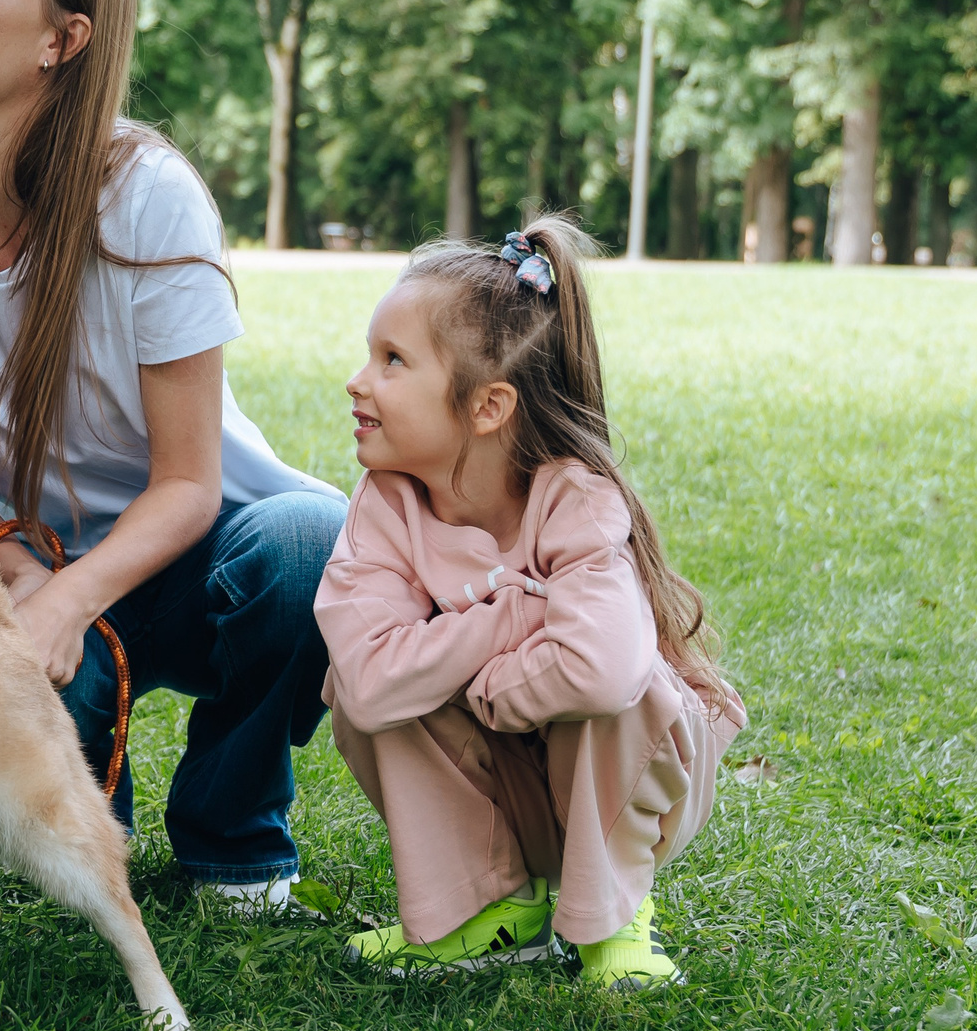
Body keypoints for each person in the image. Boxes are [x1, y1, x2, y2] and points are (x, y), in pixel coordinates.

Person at [0, 0, 345, 909]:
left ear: (62, 38)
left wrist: (65, 601)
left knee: (305, 540)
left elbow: (189, 485)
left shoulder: (143, 192)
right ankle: (74, 788)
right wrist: (9, 565)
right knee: (58, 856)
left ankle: (234, 831)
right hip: (13, 554)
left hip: (192, 560)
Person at [313, 223, 744, 985]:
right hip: (509, 770)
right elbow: (370, 682)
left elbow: (604, 671)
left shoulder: (574, 497)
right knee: (356, 691)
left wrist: (479, 682)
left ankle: (614, 914)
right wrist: (513, 616)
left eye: (392, 361)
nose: (358, 379)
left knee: (627, 687)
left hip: (625, 775)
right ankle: (490, 909)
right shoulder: (383, 504)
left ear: (487, 406)